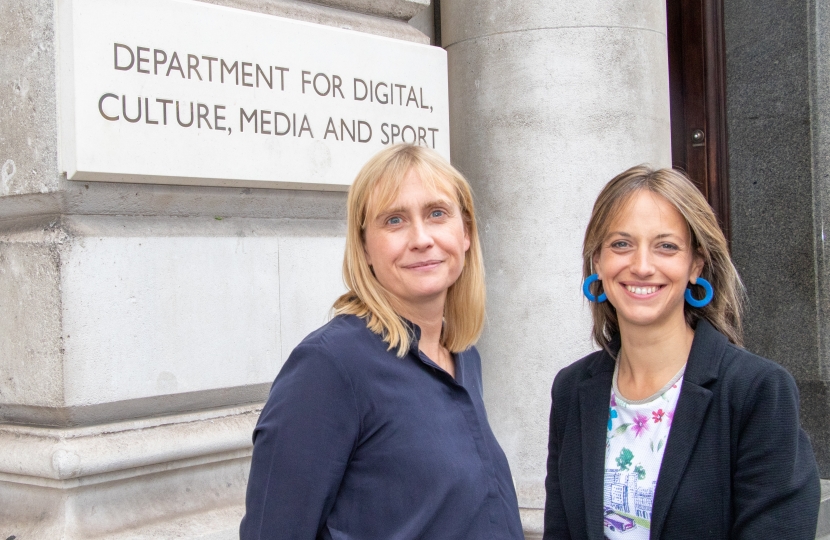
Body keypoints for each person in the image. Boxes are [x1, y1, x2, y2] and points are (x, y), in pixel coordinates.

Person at [240, 144, 524, 539]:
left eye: (437, 213)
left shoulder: (462, 356)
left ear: (466, 233)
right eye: (394, 220)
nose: (422, 238)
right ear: (365, 248)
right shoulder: (330, 367)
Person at [543, 165, 820, 539]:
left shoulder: (757, 392)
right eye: (621, 244)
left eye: (666, 246)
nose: (641, 266)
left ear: (696, 265)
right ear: (598, 261)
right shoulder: (572, 389)